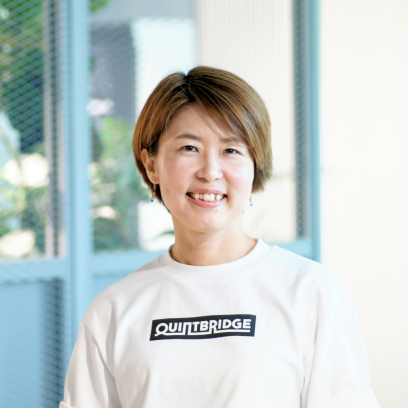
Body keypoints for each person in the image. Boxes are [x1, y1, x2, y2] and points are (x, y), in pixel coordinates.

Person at [59, 66, 381, 408]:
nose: (210, 172)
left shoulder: (309, 291)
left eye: (231, 150)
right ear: (151, 165)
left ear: (255, 166)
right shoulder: (114, 310)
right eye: (189, 148)